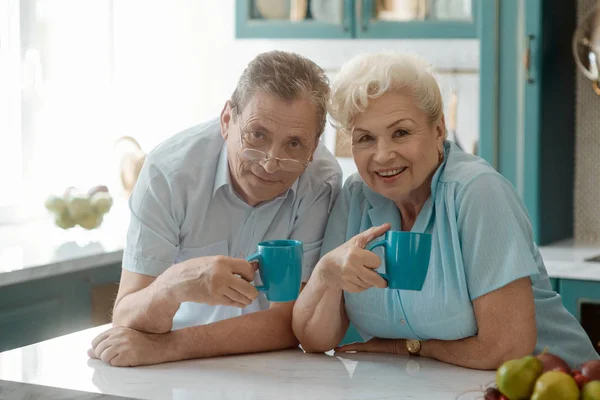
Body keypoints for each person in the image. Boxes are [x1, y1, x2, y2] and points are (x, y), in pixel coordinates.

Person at [292, 52, 599, 370]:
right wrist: (326, 274)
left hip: (553, 384)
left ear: (438, 130)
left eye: (401, 132)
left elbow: (506, 349)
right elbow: (315, 339)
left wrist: (409, 348)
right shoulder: (356, 195)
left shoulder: (477, 192)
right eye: (365, 138)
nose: (383, 155)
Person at [88, 50, 342, 367]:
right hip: (172, 373)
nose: (270, 162)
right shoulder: (168, 174)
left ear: (315, 145)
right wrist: (174, 284)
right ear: (226, 121)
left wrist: (169, 348)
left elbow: (289, 321)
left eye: (294, 144)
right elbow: (126, 316)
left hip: (269, 366)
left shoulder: (322, 182)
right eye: (257, 135)